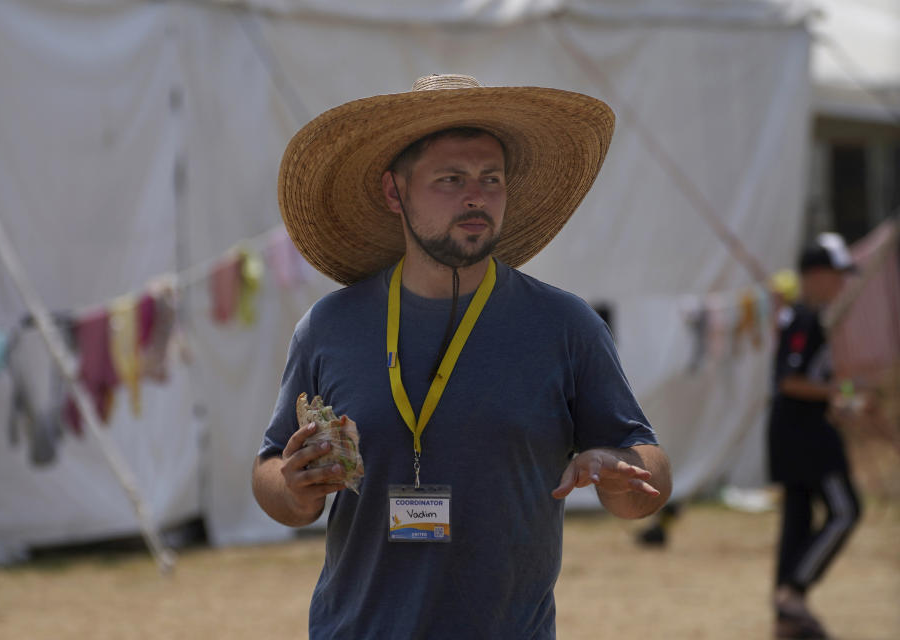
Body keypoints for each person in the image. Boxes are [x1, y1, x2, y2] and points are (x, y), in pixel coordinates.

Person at [252, 73, 672, 639]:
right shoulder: (330, 327)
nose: (477, 196)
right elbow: (269, 471)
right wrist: (294, 490)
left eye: (491, 179)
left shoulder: (565, 326)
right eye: (451, 179)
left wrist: (624, 478)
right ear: (394, 193)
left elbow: (647, 466)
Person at [769, 232, 863, 639]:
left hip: (794, 433)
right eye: (838, 274)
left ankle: (789, 614)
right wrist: (836, 393)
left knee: (799, 519)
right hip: (806, 436)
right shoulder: (805, 319)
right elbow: (790, 381)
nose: (843, 283)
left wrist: (846, 394)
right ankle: (794, 591)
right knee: (846, 511)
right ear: (817, 274)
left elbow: (821, 379)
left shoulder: (806, 319)